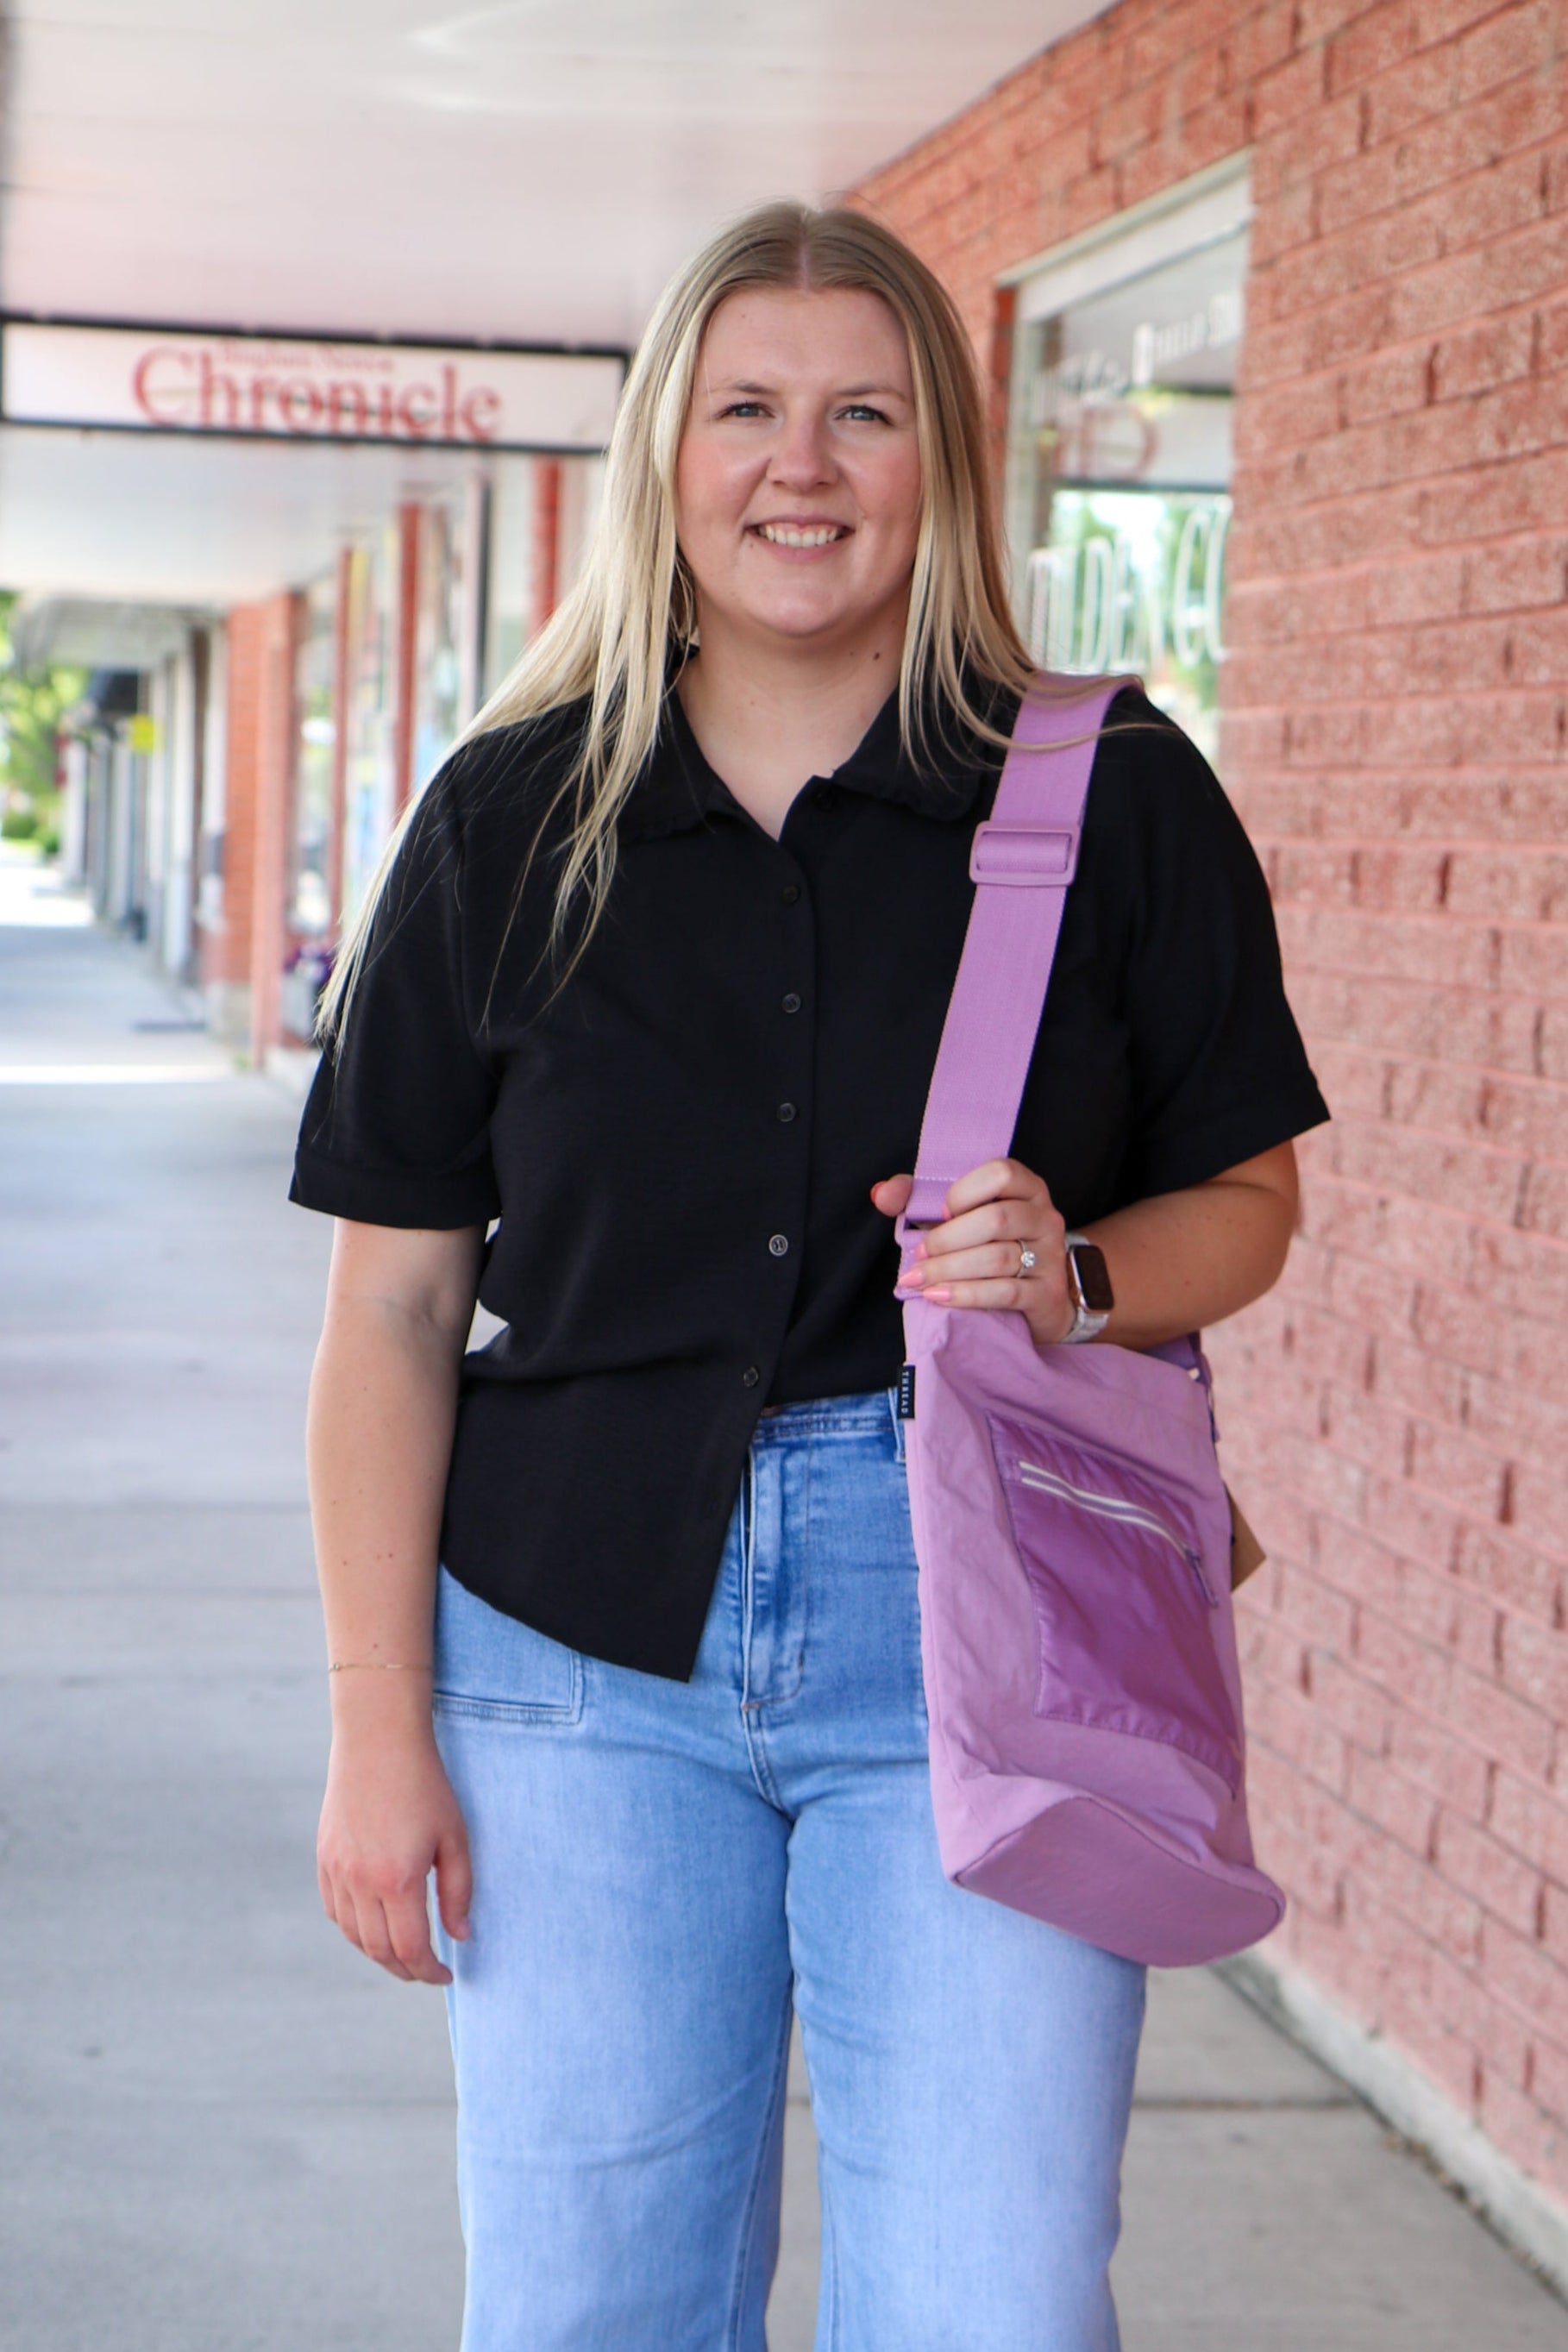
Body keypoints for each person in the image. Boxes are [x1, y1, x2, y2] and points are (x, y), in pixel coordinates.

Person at [292, 201, 1327, 2352]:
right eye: (747, 409)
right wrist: (377, 1724)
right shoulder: (507, 821)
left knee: (990, 2310)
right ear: (666, 456)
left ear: (943, 454)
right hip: (569, 1649)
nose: (803, 465)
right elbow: (392, 1310)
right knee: (588, 2310)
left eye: (864, 412)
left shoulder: (1118, 796)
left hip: (983, 1633)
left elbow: (1249, 1198)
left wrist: (1080, 1267)